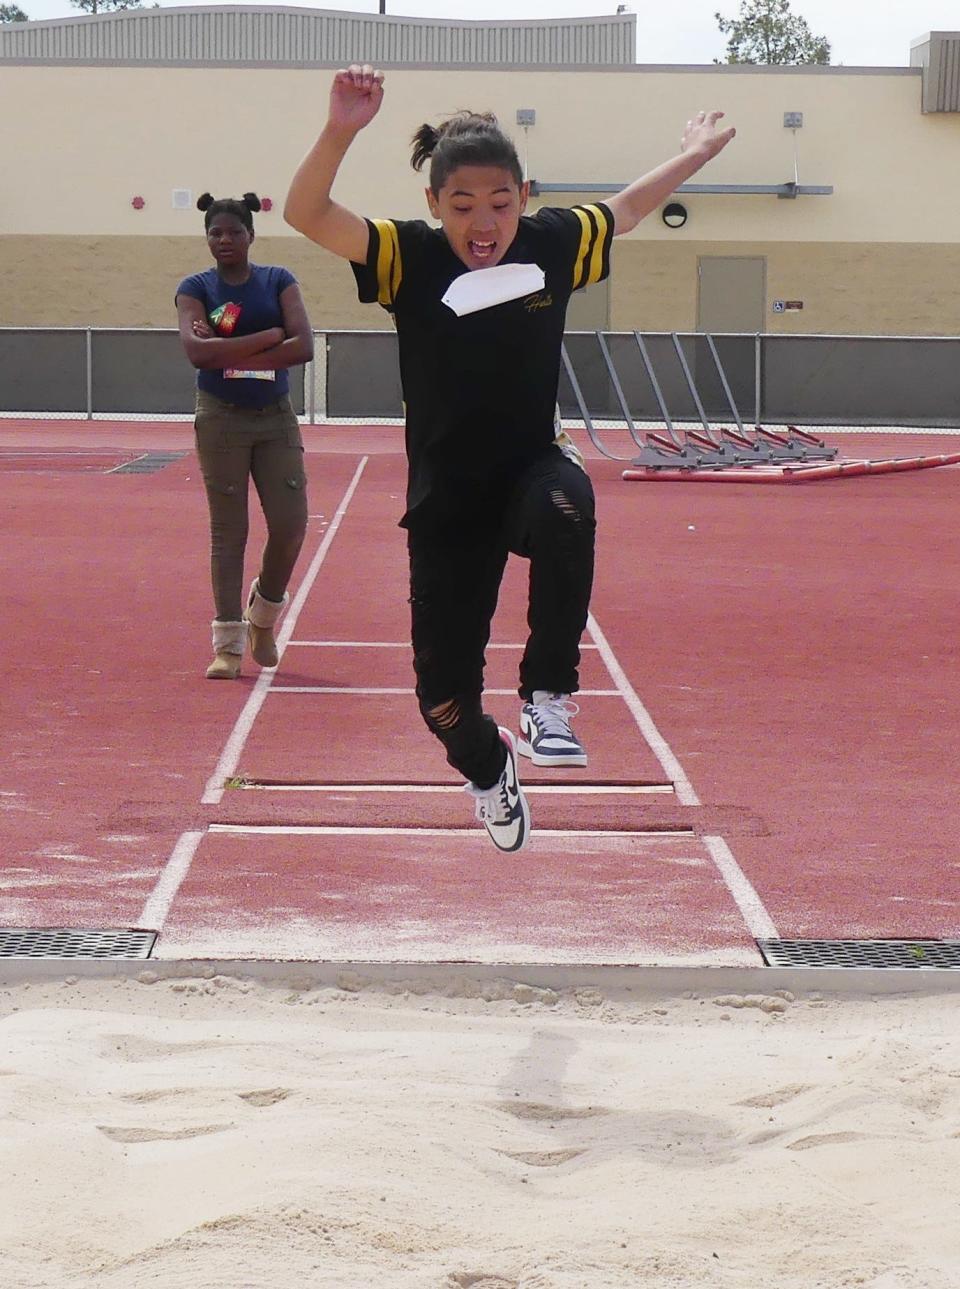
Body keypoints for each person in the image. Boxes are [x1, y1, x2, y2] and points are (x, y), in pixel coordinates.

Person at [284, 67, 735, 851]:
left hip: (531, 466)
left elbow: (625, 209)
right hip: (448, 502)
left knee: (570, 505)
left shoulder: (553, 241)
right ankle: (490, 770)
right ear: (434, 204)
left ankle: (548, 695)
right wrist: (341, 129)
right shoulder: (405, 256)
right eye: (461, 206)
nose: (482, 222)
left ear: (524, 196)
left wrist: (692, 153)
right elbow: (307, 213)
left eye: (499, 203)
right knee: (443, 704)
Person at [175, 191, 315, 679]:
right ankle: (228, 644)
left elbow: (304, 344)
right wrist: (267, 337)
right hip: (221, 417)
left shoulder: (278, 281)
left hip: (274, 417)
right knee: (228, 530)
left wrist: (228, 351)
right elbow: (197, 352)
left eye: (234, 231)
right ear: (206, 238)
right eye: (215, 232)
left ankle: (263, 614)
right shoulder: (195, 288)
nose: (225, 239)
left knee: (291, 522)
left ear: (251, 236)